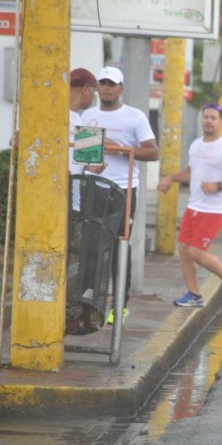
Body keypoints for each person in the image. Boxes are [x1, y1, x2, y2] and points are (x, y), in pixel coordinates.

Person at [81, 66, 160, 324]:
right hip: (93, 186)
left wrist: (122, 150)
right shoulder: (88, 116)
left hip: (123, 189)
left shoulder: (134, 116)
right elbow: (83, 155)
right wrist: (89, 164)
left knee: (118, 246)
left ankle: (119, 305)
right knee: (91, 247)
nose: (106, 88)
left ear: (120, 88)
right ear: (97, 87)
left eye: (111, 84)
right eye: (102, 83)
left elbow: (153, 152)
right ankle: (87, 304)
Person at [157, 103, 222, 308]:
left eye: (213, 118)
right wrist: (171, 178)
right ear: (201, 119)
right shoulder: (196, 145)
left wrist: (218, 185)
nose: (209, 121)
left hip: (214, 208)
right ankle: (194, 295)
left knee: (196, 252)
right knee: (184, 249)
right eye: (206, 117)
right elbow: (190, 171)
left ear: (221, 122)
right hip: (194, 205)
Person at [68, 68, 98, 176]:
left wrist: (92, 166)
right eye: (94, 93)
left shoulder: (80, 120)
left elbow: (88, 162)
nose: (93, 99)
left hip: (74, 184)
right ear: (85, 89)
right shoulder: (54, 116)